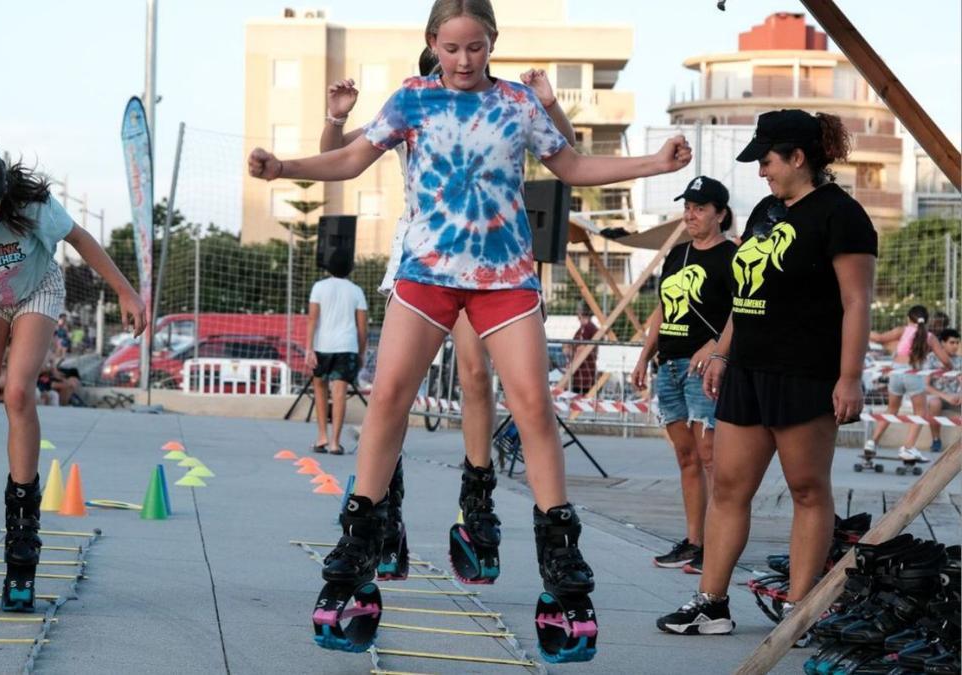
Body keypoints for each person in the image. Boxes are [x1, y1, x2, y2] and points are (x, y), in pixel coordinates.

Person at [249, 0, 691, 658]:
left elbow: (571, 167)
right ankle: (357, 552)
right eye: (452, 48)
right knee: (390, 395)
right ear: (433, 45)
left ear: (492, 45)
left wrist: (653, 163)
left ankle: (561, 568)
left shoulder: (516, 103)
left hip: (503, 277)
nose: (463, 60)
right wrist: (284, 167)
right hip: (427, 273)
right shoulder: (412, 100)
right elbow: (349, 162)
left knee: (535, 404)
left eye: (476, 48)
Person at [319, 49, 578, 582]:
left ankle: (476, 494)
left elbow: (567, 154)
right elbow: (338, 157)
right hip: (421, 254)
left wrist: (549, 103)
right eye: (444, 65)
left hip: (479, 258)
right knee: (395, 390)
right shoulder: (413, 105)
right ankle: (381, 505)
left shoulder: (498, 106)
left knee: (476, 372)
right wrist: (337, 117)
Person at [657, 109, 877, 637]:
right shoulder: (764, 211)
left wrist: (849, 377)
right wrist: (724, 351)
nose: (761, 172)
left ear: (798, 158)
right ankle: (711, 603)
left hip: (805, 372)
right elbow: (745, 295)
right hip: (748, 372)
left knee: (806, 489)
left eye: (768, 160)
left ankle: (800, 609)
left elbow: (856, 301)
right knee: (730, 486)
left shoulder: (841, 216)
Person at [0, 149, 145, 612]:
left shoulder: (34, 209)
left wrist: (125, 289)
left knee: (19, 392)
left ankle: (23, 523)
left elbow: (82, 240)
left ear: (4, 198)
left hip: (37, 291)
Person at [631, 176, 736, 573]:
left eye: (700, 208)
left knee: (709, 455)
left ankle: (715, 543)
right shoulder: (677, 254)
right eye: (688, 207)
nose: (690, 214)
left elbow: (740, 310)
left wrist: (714, 348)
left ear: (720, 213)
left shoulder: (732, 255)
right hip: (669, 364)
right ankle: (694, 540)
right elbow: (662, 308)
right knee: (686, 456)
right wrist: (644, 355)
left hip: (703, 368)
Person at [866, 305, 955, 462]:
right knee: (920, 413)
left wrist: (859, 330)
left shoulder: (902, 331)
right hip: (914, 374)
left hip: (896, 372)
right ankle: (908, 448)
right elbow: (946, 361)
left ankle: (872, 442)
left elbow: (879, 338)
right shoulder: (929, 337)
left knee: (891, 410)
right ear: (926, 321)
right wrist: (947, 369)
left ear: (909, 318)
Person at [305, 251, 368, 455]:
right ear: (350, 270)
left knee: (320, 390)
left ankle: (322, 436)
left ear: (328, 268)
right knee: (339, 394)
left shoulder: (319, 287)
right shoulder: (357, 291)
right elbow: (362, 327)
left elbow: (312, 320)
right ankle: (335, 442)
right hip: (346, 346)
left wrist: (309, 348)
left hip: (322, 345)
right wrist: (361, 353)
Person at [925, 328, 961, 453]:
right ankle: (936, 440)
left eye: (957, 342)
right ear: (942, 344)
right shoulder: (931, 359)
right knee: (935, 403)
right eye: (952, 343)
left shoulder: (959, 360)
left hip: (955, 396)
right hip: (935, 395)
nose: (955, 346)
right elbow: (925, 386)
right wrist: (945, 397)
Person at [568, 304, 599, 395]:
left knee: (579, 402)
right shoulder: (585, 328)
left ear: (580, 313)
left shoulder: (587, 328)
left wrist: (571, 367)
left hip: (583, 375)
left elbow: (581, 349)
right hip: (582, 374)